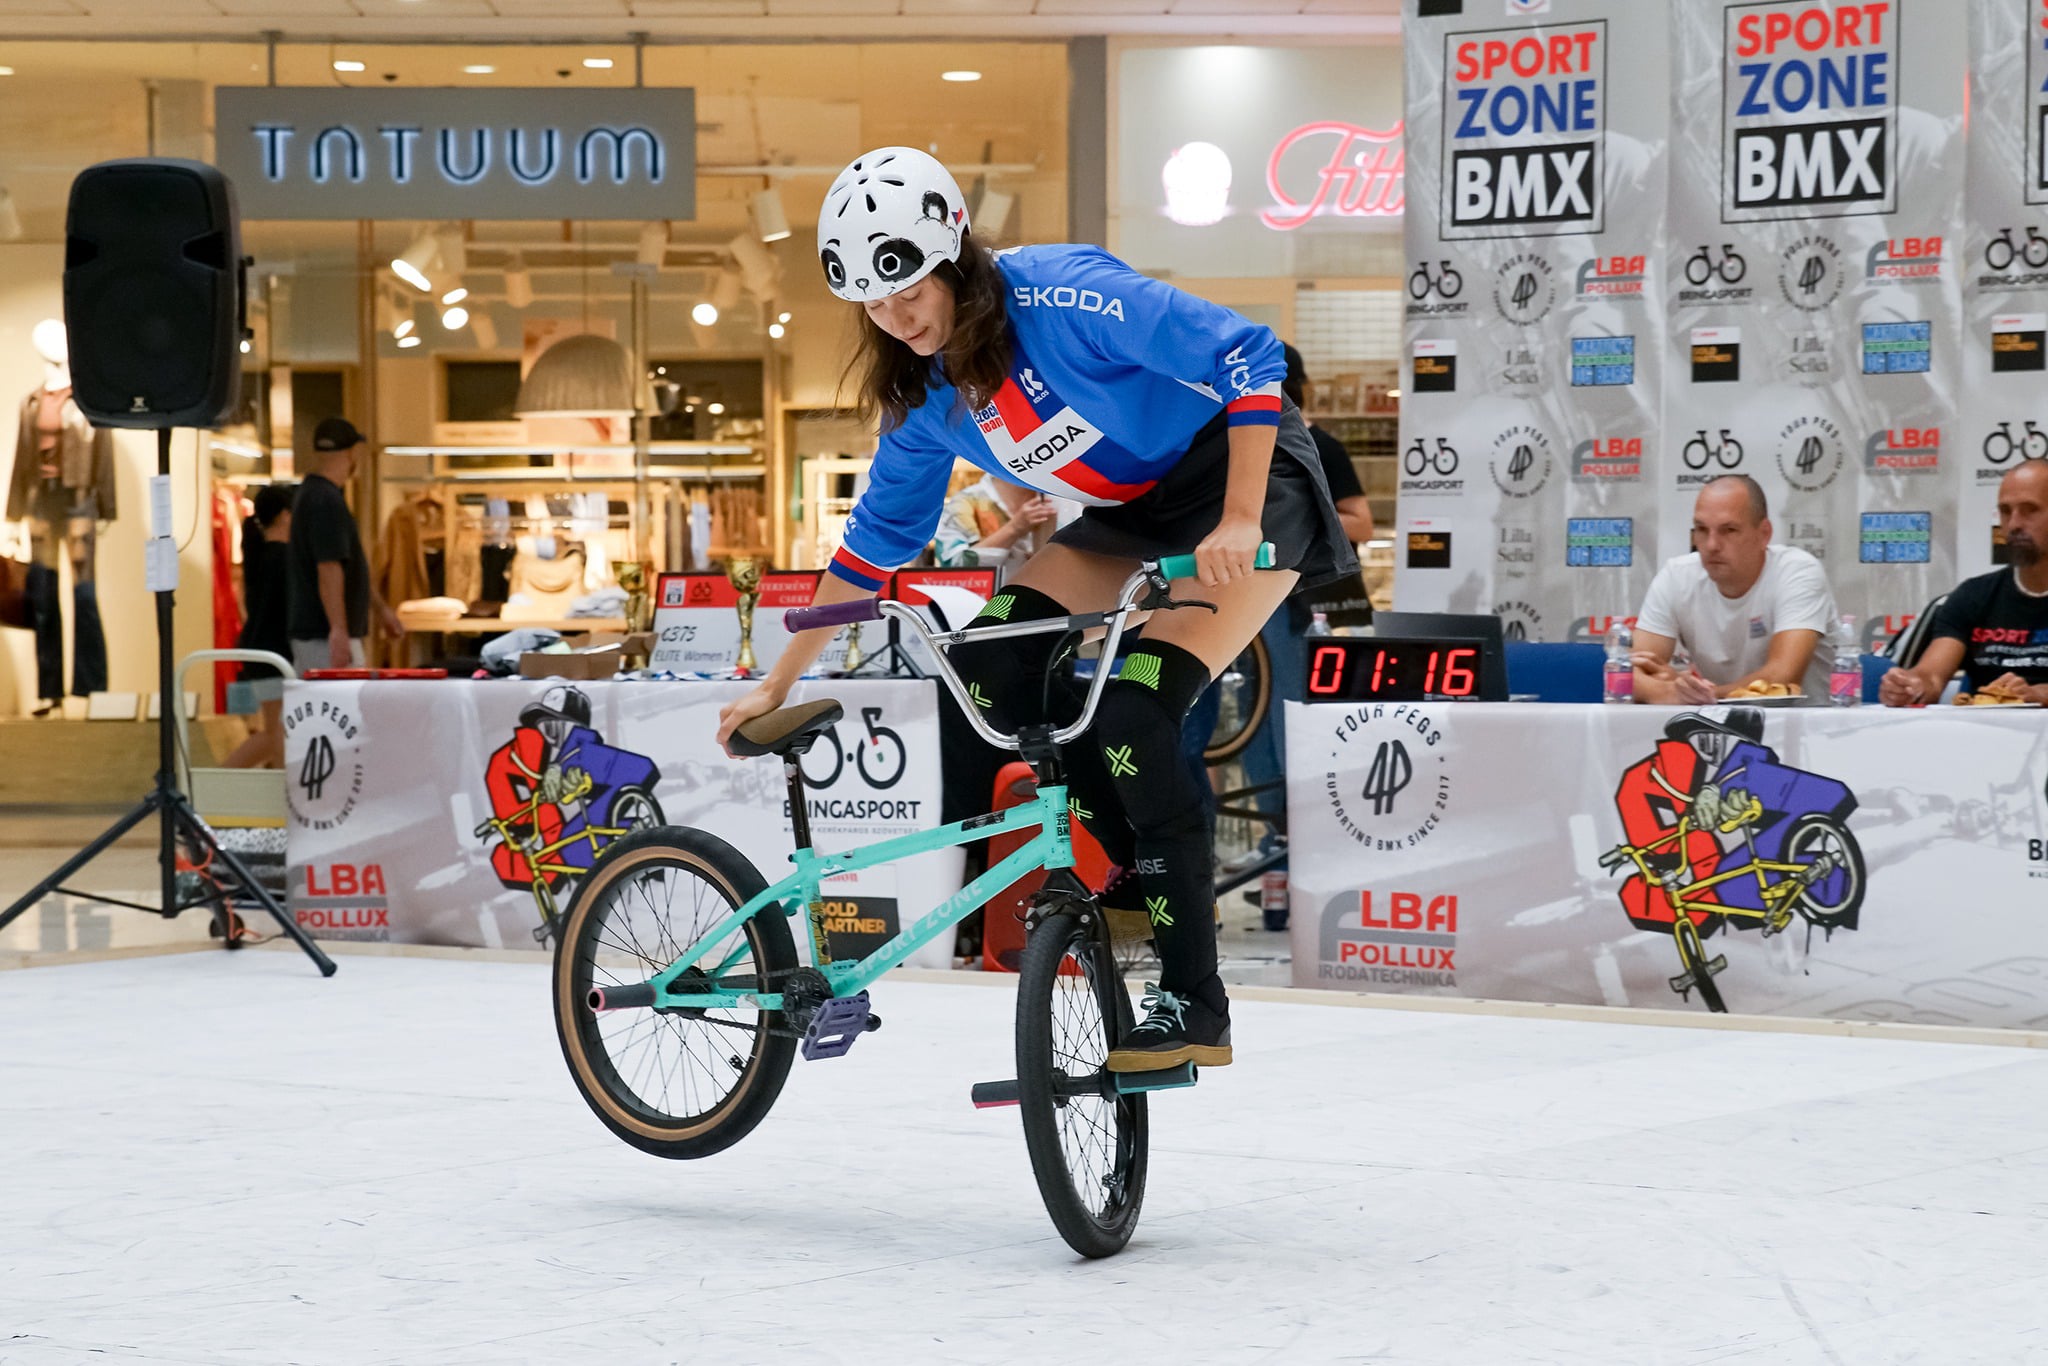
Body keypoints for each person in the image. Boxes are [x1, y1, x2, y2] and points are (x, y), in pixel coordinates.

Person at [715, 146, 1357, 1072]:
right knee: (987, 667)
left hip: (1241, 483)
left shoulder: (1061, 293)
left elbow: (1248, 355)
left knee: (1134, 709)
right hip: (1130, 516)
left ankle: (1195, 1002)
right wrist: (775, 682)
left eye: (908, 293)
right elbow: (869, 549)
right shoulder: (925, 395)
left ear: (952, 253)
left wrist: (1241, 517)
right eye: (874, 306)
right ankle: (1136, 872)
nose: (897, 320)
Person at [1631, 474, 1836, 703]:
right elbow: (1627, 672)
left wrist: (1697, 694)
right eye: (1701, 529)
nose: (1711, 545)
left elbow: (1781, 678)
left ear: (1764, 534)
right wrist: (1667, 692)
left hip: (1804, 722)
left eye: (1728, 530)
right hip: (1714, 721)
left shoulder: (1797, 571)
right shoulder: (1676, 576)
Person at [1880, 459, 2048, 706]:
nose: (2014, 524)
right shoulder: (1973, 596)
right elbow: (1932, 675)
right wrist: (1912, 686)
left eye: (2030, 510)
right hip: (1989, 729)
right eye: (2005, 511)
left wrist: (2041, 695)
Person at [287, 417, 401, 672]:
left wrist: (381, 609)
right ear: (353, 452)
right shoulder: (326, 500)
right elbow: (329, 567)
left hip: (319, 634)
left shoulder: (312, 494)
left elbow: (347, 567)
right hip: (324, 636)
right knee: (341, 696)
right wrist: (338, 630)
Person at [224, 482, 293, 768]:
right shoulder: (283, 559)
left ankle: (218, 779)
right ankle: (217, 780)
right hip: (273, 653)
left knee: (275, 730)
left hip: (261, 650)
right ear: (285, 515)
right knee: (276, 732)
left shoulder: (261, 556)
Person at [933, 470, 1059, 570]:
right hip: (987, 595)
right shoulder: (965, 502)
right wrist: (1014, 528)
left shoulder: (1059, 500)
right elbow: (952, 567)